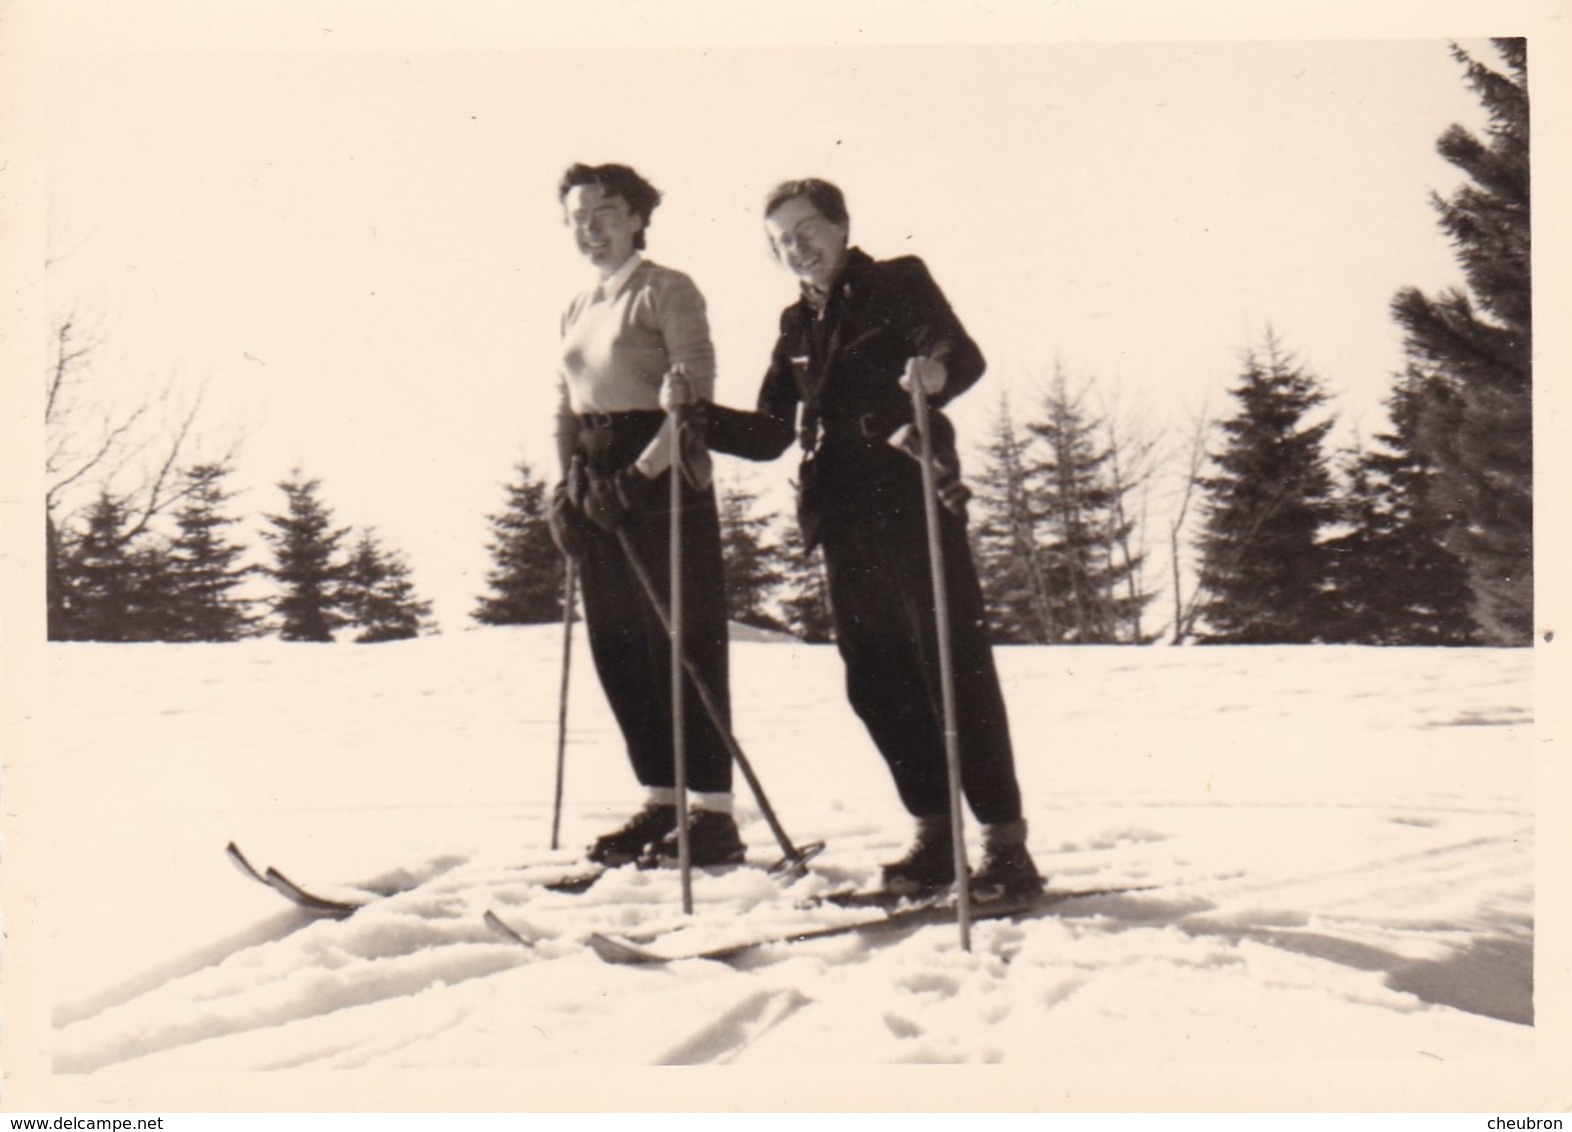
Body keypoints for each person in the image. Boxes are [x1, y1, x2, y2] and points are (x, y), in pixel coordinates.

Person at [666, 178, 1041, 899]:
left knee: (952, 669)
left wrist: (934, 373)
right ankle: (935, 838)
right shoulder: (795, 324)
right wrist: (696, 415)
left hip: (910, 496)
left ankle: (1006, 848)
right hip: (842, 516)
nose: (796, 247)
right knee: (876, 684)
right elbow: (774, 431)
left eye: (807, 229)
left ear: (840, 226)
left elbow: (958, 351)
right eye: (781, 241)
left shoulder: (897, 281)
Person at [546, 162, 744, 869]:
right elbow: (566, 403)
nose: (588, 229)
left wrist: (639, 476)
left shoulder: (666, 290)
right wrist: (565, 485)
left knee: (682, 644)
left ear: (636, 215)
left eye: (602, 213)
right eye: (575, 218)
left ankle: (712, 815)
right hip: (595, 478)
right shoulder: (579, 304)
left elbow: (694, 394)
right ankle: (662, 800)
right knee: (619, 648)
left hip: (660, 478)